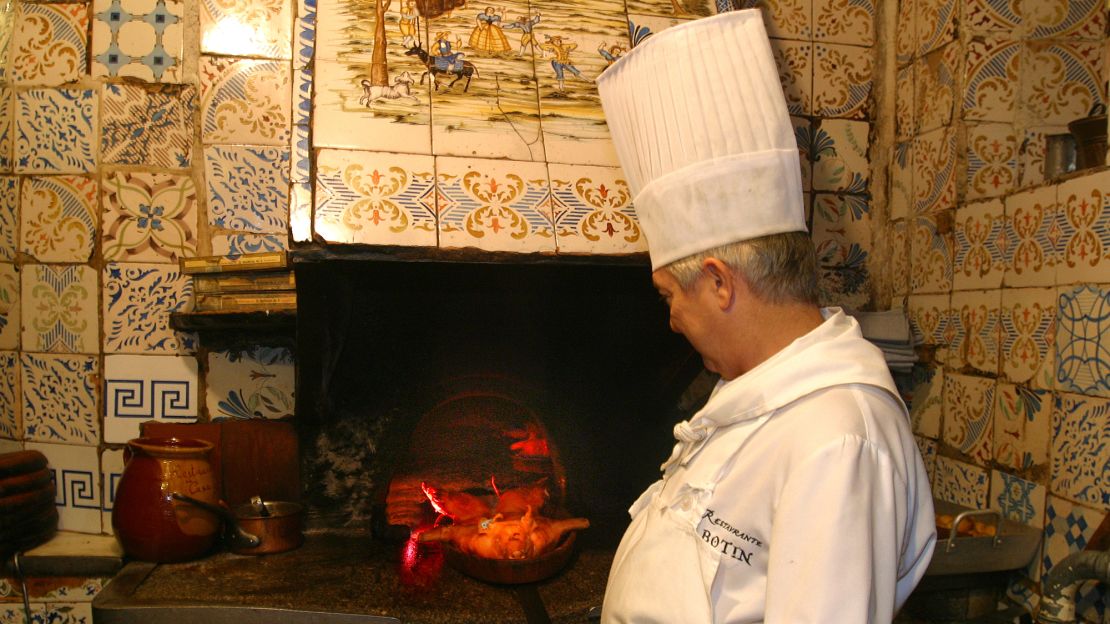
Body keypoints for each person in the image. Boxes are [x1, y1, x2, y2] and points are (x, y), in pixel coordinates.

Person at [595, 10, 936, 623]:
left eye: (670, 295)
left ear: (720, 284)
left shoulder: (838, 438)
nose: (671, 319)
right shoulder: (758, 398)